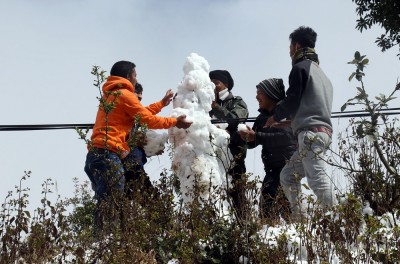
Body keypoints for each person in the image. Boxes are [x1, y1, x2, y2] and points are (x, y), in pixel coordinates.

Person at [84, 60, 192, 228]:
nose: (136, 78)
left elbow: (139, 113)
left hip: (95, 156)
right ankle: (104, 242)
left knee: (105, 201)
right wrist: (174, 122)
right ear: (128, 76)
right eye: (135, 75)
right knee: (111, 202)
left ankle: (102, 243)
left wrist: (161, 104)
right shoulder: (125, 94)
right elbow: (146, 119)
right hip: (108, 154)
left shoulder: (111, 95)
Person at [264, 26, 337, 219]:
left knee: (317, 179)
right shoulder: (323, 76)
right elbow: (313, 109)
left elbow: (293, 98)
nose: (289, 51)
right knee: (288, 176)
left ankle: (342, 223)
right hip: (322, 133)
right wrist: (290, 122)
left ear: (296, 46)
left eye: (290, 47)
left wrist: (275, 116)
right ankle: (301, 221)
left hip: (310, 136)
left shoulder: (300, 68)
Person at [239, 78, 296, 221]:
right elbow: (253, 142)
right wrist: (244, 136)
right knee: (266, 212)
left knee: (289, 213)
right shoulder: (261, 118)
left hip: (287, 169)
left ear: (271, 93)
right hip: (271, 171)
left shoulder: (286, 112)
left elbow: (286, 136)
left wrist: (256, 136)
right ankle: (270, 238)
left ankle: (298, 240)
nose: (256, 97)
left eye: (260, 93)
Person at [209, 70, 249, 219]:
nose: (213, 86)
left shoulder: (237, 102)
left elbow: (236, 119)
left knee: (237, 197)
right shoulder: (208, 105)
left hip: (234, 157)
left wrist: (216, 108)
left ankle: (244, 230)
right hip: (213, 157)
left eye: (216, 83)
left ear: (225, 84)